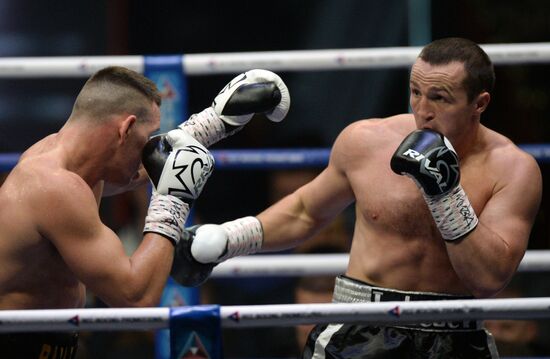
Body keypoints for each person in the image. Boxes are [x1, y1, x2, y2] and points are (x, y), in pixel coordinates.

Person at [184, 37, 543, 358]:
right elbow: (306, 211)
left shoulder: (513, 169)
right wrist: (230, 238)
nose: (423, 110)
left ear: (479, 104)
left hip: (456, 333)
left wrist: (446, 195)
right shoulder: (367, 141)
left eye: (439, 98)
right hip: (361, 327)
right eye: (415, 92)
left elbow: (489, 278)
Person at [0, 66, 289, 358]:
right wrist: (172, 202)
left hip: (46, 342)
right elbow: (135, 298)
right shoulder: (55, 187)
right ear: (125, 129)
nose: (150, 148)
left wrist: (213, 123)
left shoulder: (69, 162)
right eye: (146, 137)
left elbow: (148, 162)